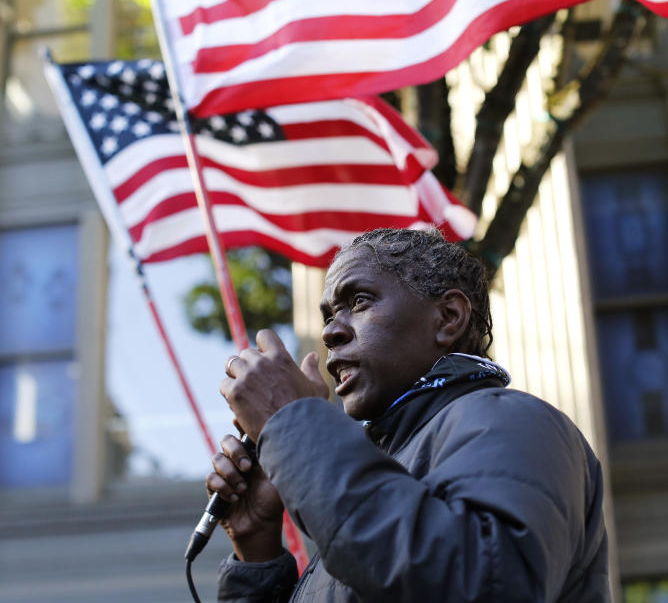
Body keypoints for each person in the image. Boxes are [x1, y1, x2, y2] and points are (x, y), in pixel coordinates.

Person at [208, 227, 610, 602]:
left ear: (449, 317)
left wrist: (294, 424)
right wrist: (256, 551)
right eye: (330, 315)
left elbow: (487, 585)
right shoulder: (373, 475)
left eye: (359, 302)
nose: (331, 332)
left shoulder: (514, 421)